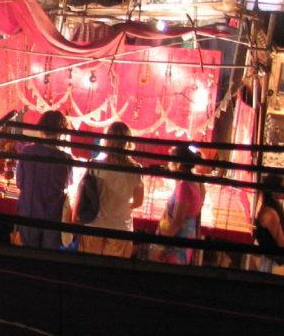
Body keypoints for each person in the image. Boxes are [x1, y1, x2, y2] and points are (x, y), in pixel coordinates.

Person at [77, 121, 144, 258]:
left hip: (94, 225)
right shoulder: (136, 170)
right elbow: (138, 201)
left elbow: (82, 191)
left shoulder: (95, 165)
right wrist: (121, 206)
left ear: (107, 140)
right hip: (120, 228)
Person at [16, 109, 74, 250]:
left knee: (28, 254)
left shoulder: (27, 152)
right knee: (48, 258)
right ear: (61, 133)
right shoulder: (66, 159)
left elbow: (19, 182)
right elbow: (69, 183)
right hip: (53, 217)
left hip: (29, 213)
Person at [152, 145, 205, 264]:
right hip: (187, 235)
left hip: (176, 241)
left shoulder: (184, 186)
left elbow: (178, 221)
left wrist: (161, 246)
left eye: (171, 160)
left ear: (179, 164)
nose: (169, 163)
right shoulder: (198, 181)